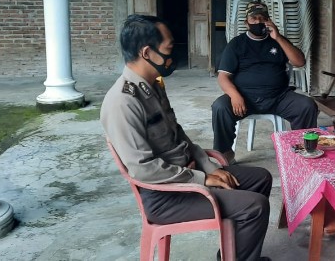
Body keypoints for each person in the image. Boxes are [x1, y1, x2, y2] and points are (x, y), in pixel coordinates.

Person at [101, 14, 273, 261]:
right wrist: (202, 179)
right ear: (147, 52)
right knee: (255, 206)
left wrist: (208, 166)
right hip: (167, 196)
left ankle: (233, 254)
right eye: (169, 48)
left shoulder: (153, 86)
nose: (173, 55)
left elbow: (179, 136)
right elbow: (143, 170)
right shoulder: (123, 102)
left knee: (260, 178)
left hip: (185, 175)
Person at [212, 1, 319, 162]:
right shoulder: (237, 44)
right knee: (220, 107)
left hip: (279, 97)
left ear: (268, 21)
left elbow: (299, 62)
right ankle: (225, 155)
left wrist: (278, 37)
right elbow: (223, 76)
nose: (258, 22)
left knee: (307, 106)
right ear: (246, 22)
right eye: (254, 18)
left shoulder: (277, 40)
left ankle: (303, 154)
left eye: (262, 18)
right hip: (245, 98)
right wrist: (234, 95)